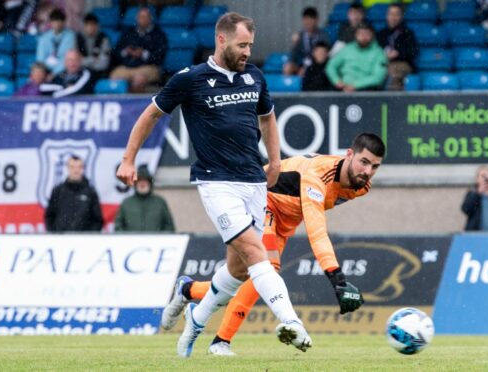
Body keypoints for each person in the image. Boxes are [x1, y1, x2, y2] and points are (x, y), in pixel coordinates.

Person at [116, 12, 311, 358]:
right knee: (257, 254)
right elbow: (150, 115)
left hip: (253, 181)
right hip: (216, 183)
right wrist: (129, 160)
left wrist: (276, 160)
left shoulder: (254, 76)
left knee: (237, 269)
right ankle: (291, 321)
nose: (248, 51)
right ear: (221, 40)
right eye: (242, 45)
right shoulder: (189, 79)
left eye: (250, 44)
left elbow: (267, 118)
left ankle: (195, 314)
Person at [162, 133, 384, 356]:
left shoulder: (361, 187)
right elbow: (316, 231)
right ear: (348, 154)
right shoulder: (318, 175)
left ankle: (188, 290)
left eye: (374, 166)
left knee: (240, 276)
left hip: (286, 222)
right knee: (266, 268)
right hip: (263, 203)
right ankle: (221, 341)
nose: (367, 171)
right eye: (363, 162)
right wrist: (338, 280)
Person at [110, 7, 167, 93]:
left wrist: (143, 53)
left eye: (144, 17)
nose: (142, 19)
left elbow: (160, 56)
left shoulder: (158, 34)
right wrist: (127, 51)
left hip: (148, 67)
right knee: (113, 78)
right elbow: (117, 51)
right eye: (140, 17)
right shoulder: (129, 32)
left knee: (138, 80)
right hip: (127, 67)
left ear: (150, 18)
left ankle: (135, 105)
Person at [45, 155, 103, 232]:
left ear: (83, 169)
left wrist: (88, 237)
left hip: (83, 241)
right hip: (61, 240)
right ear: (68, 168)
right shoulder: (58, 191)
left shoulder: (90, 192)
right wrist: (55, 234)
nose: (76, 170)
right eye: (72, 167)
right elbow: (49, 216)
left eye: (79, 167)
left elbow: (97, 220)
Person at [326, 23, 387, 92]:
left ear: (372, 35)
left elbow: (377, 78)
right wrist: (336, 80)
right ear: (355, 35)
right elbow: (331, 66)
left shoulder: (379, 53)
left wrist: (355, 85)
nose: (363, 37)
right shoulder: (347, 48)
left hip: (366, 90)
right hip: (342, 88)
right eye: (360, 34)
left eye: (367, 34)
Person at [114, 165, 175, 232]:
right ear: (135, 183)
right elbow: (118, 227)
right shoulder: (126, 203)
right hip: (132, 242)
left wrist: (159, 239)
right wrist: (128, 239)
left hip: (155, 242)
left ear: (150, 183)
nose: (142, 183)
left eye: (145, 180)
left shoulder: (160, 202)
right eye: (139, 180)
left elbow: (169, 226)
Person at [376, 4, 419, 91]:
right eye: (391, 14)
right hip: (383, 63)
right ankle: (373, 99)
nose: (393, 17)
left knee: (393, 72)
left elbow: (413, 51)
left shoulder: (407, 33)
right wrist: (384, 55)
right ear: (387, 16)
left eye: (396, 14)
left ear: (401, 16)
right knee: (376, 73)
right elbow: (375, 51)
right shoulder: (381, 33)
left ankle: (393, 101)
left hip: (403, 63)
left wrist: (398, 53)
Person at [283, 7, 330, 76]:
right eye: (306, 19)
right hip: (301, 64)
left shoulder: (323, 36)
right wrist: (294, 44)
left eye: (311, 19)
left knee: (306, 71)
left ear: (316, 20)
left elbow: (323, 56)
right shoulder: (299, 36)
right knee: (287, 67)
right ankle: (288, 85)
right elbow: (293, 55)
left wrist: (307, 67)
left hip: (316, 65)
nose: (308, 22)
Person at [77, 13, 112, 81]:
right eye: (88, 25)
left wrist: (84, 61)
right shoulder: (78, 38)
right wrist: (94, 59)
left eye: (93, 25)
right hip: (81, 72)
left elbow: (104, 63)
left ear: (97, 26)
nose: (90, 28)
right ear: (84, 26)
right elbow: (76, 62)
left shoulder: (104, 39)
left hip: (99, 73)